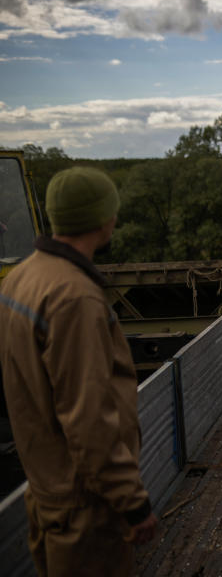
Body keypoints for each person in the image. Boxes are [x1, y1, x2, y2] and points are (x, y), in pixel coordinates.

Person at [0, 166, 158, 577]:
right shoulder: (74, 298)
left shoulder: (21, 277)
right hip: (87, 506)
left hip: (48, 489)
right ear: (102, 218)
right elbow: (89, 419)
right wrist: (132, 502)